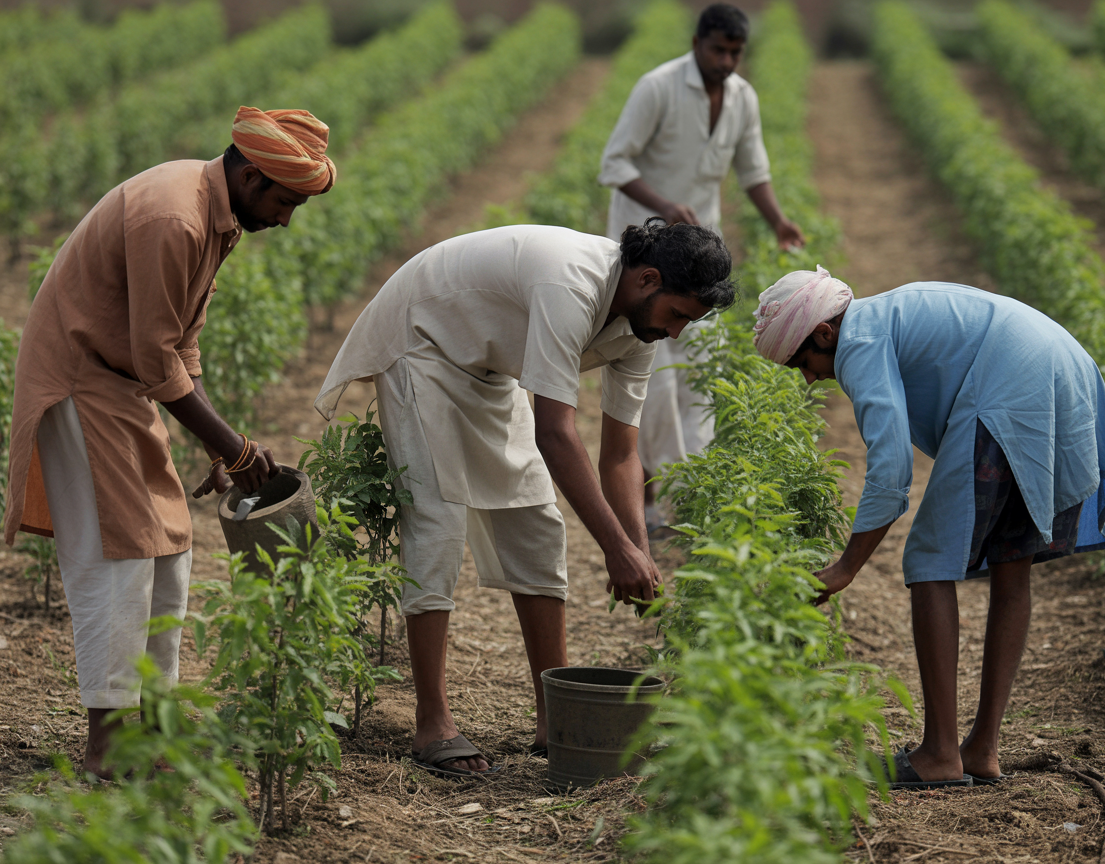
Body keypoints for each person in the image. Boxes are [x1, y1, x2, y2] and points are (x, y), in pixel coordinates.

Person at [316, 219, 735, 777]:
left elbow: (620, 454)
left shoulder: (642, 328)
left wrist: (638, 549)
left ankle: (553, 716)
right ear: (647, 279)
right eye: (679, 314)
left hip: (488, 365)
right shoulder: (572, 286)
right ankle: (431, 721)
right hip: (424, 339)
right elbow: (555, 433)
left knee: (537, 525)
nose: (679, 332)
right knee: (437, 523)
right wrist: (614, 547)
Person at [3, 106, 337, 779]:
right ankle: (105, 747)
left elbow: (182, 342)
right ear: (249, 175)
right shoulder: (174, 217)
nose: (285, 219)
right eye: (284, 202)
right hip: (82, 376)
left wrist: (221, 448)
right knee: (116, 556)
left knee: (169, 547)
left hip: (122, 381)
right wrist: (237, 449)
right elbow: (157, 357)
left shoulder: (217, 217)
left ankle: (154, 722)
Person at [751, 268, 1105, 788]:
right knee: (1010, 561)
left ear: (824, 333)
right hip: (1060, 368)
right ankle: (980, 750)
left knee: (929, 562)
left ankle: (938, 755)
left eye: (804, 362)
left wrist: (845, 568)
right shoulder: (881, 316)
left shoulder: (858, 339)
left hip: (1012, 384)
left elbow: (890, 469)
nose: (810, 377)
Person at [599, 3, 805, 530]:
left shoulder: (742, 98)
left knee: (704, 373)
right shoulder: (658, 87)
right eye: (719, 50)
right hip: (649, 263)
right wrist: (665, 208)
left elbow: (753, 170)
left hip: (701, 262)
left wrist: (779, 222)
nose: (728, 61)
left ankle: (694, 496)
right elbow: (615, 163)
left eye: (736, 52)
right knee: (654, 378)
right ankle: (653, 500)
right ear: (697, 43)